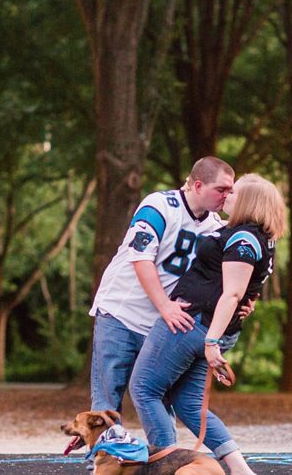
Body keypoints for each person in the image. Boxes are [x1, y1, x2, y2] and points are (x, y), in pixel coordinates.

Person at [129, 173, 287, 475]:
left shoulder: (244, 239)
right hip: (207, 326)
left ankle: (165, 472)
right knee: (187, 403)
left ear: (249, 202)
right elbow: (242, 290)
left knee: (145, 388)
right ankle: (240, 470)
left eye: (234, 192)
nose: (227, 194)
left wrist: (212, 342)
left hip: (195, 324)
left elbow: (231, 293)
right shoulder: (255, 236)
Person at [89, 156, 235, 414]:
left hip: (162, 325)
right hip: (121, 313)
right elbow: (141, 258)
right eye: (221, 189)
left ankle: (165, 453)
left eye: (230, 190)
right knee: (106, 402)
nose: (227, 196)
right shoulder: (158, 205)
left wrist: (244, 303)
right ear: (198, 186)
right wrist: (165, 305)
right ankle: (102, 453)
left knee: (158, 399)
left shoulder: (217, 227)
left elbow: (233, 274)